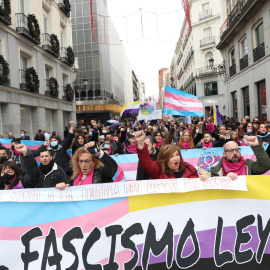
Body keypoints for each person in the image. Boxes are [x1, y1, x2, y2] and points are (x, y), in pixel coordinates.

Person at [135, 130, 201, 179]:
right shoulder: (159, 172)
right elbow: (146, 163)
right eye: (171, 156)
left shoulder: (189, 169)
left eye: (177, 155)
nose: (176, 158)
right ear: (165, 160)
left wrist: (201, 178)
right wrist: (141, 143)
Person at [56, 141, 123, 189]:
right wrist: (63, 187)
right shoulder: (73, 178)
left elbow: (112, 168)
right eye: (81, 161)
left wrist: (99, 152)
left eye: (87, 161)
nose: (84, 165)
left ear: (94, 162)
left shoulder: (102, 174)